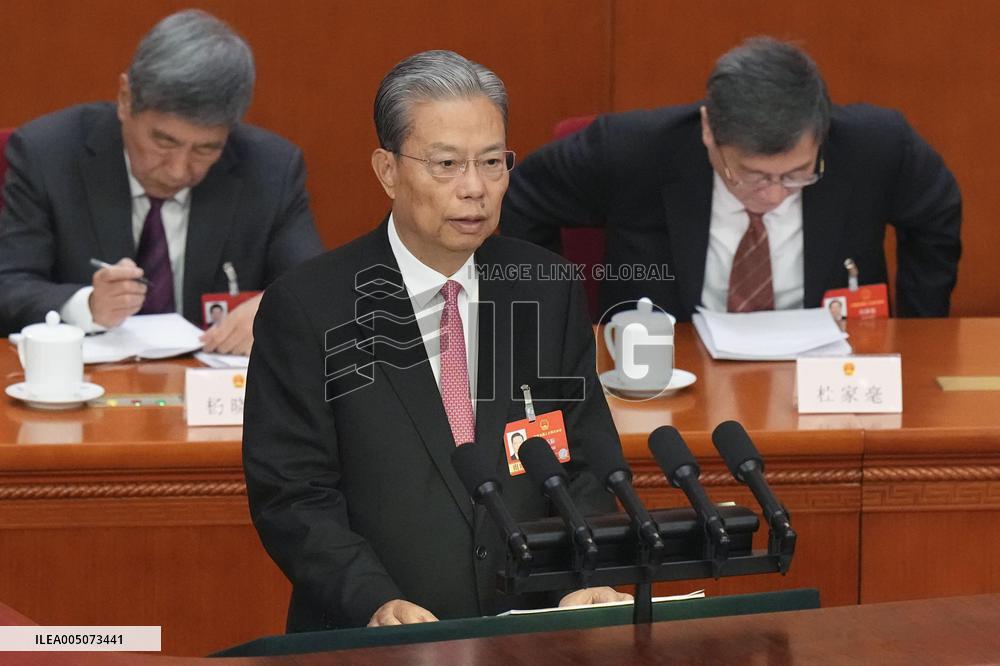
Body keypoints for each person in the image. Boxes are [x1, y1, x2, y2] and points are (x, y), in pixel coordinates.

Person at [243, 50, 629, 631]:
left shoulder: (547, 288)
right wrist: (372, 599)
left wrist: (591, 574)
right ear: (388, 170)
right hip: (375, 638)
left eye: (493, 162)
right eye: (446, 164)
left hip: (530, 635)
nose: (475, 188)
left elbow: (587, 458)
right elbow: (294, 495)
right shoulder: (309, 307)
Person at [501, 36, 961, 321]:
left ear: (822, 135)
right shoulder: (632, 150)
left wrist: (918, 329)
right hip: (669, 372)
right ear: (708, 131)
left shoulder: (875, 146)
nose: (775, 195)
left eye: (798, 175)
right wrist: (559, 325)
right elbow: (520, 195)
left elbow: (936, 213)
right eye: (750, 176)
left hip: (824, 372)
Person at [0, 10, 323, 352]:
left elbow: (318, 285)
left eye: (206, 148)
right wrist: (87, 304)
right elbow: (8, 285)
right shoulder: (48, 154)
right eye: (164, 142)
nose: (178, 171)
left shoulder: (270, 169)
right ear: (125, 99)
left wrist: (275, 308)